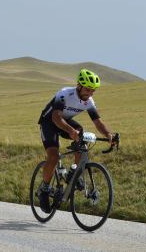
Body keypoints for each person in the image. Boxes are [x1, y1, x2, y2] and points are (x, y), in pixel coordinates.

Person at [37, 68, 115, 213]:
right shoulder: (65, 94)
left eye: (93, 91)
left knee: (82, 140)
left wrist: (108, 135)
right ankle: (45, 188)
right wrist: (71, 131)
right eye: (88, 89)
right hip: (49, 122)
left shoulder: (89, 101)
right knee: (53, 156)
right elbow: (55, 118)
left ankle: (74, 172)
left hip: (64, 121)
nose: (90, 93)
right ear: (79, 85)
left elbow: (98, 122)